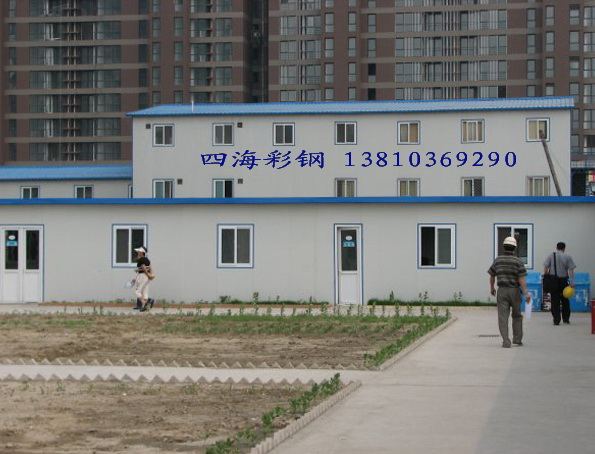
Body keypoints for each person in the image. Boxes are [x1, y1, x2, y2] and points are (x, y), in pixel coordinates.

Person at [488, 236, 531, 348]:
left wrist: (492, 288)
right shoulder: (518, 261)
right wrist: (526, 293)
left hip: (502, 290)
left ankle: (506, 341)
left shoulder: (498, 260)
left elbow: (492, 275)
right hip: (515, 291)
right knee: (517, 316)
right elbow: (521, 278)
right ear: (515, 248)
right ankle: (517, 340)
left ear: (503, 247)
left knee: (503, 317)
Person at [543, 242, 576, 325]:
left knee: (555, 300)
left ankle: (556, 320)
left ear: (556, 248)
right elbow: (571, 270)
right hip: (563, 281)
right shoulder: (568, 256)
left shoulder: (551, 256)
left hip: (553, 281)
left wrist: (547, 277)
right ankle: (566, 319)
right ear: (564, 248)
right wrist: (572, 282)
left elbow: (545, 269)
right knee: (565, 300)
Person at [132, 246, 155, 312]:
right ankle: (145, 307)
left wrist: (147, 274)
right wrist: (150, 275)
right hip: (147, 277)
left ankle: (145, 304)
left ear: (142, 252)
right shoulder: (147, 259)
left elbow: (143, 267)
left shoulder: (141, 259)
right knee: (145, 291)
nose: (138, 252)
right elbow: (150, 268)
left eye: (139, 251)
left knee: (137, 292)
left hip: (143, 276)